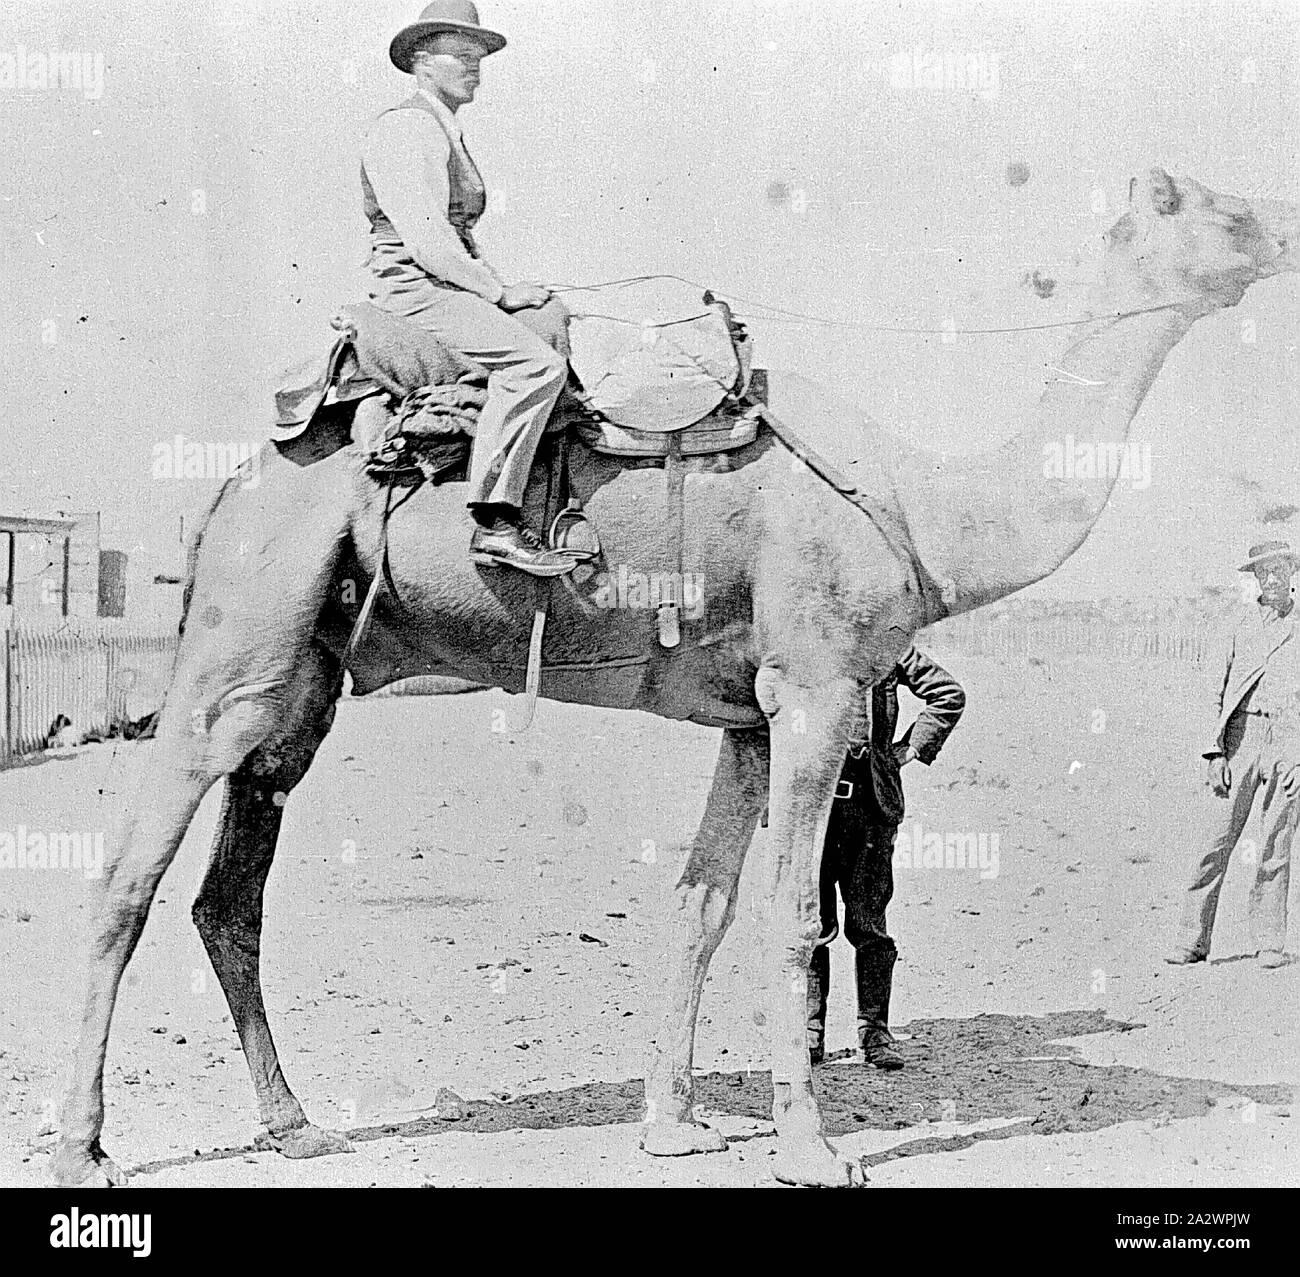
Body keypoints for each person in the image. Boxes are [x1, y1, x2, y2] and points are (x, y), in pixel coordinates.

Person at [362, 2, 576, 576]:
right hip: (414, 288)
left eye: (479, 57)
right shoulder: (406, 127)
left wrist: (503, 287)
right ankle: (494, 521)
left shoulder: (442, 126)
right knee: (535, 366)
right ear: (420, 62)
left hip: (440, 283)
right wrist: (498, 293)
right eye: (461, 56)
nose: (476, 67)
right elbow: (428, 239)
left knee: (556, 320)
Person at [809, 646, 966, 1069]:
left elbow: (948, 694)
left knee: (870, 926)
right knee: (812, 926)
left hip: (872, 809)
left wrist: (909, 749)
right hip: (812, 809)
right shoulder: (805, 639)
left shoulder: (889, 641)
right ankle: (810, 1031)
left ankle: (874, 1031)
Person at [1166, 540, 1300, 969]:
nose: (1273, 578)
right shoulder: (1237, 623)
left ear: (1292, 573)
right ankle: (1191, 938)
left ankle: (1268, 941)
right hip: (1240, 737)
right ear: (1256, 578)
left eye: (1280, 569)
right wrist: (1214, 753)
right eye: (1264, 572)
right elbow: (1213, 690)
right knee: (1214, 841)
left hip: (1287, 739)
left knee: (1276, 844)